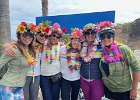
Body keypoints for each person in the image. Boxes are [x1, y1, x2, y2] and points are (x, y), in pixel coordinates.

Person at [3, 20, 51, 100]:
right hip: (25, 75)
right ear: (36, 35)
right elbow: (16, 44)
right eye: (42, 35)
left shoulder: (45, 46)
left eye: (46, 36)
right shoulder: (28, 44)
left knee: (34, 97)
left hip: (36, 76)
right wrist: (7, 45)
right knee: (23, 97)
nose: (44, 38)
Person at [98, 21, 140, 100]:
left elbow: (137, 68)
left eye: (109, 36)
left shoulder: (124, 49)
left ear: (113, 37)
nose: (105, 39)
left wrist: (134, 89)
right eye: (103, 37)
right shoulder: (102, 52)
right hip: (108, 90)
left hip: (123, 92)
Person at [0, 22, 37, 100]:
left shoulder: (30, 50)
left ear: (33, 37)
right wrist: (6, 46)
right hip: (8, 86)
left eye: (30, 35)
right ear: (19, 36)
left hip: (19, 87)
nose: (27, 37)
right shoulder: (13, 49)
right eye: (24, 35)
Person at [40, 23, 66, 100]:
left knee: (55, 97)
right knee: (47, 97)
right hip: (44, 76)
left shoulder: (61, 46)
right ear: (50, 35)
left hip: (56, 76)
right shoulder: (42, 45)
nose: (55, 38)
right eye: (54, 35)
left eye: (58, 37)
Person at [80, 23, 104, 100]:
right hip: (84, 79)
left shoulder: (101, 46)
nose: (90, 35)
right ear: (84, 34)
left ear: (95, 34)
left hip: (97, 80)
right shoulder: (80, 46)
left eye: (92, 33)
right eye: (88, 33)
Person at [60, 28, 83, 100]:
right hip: (65, 79)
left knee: (74, 98)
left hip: (77, 79)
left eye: (78, 41)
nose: (76, 42)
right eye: (75, 40)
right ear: (71, 39)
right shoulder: (62, 49)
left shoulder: (82, 52)